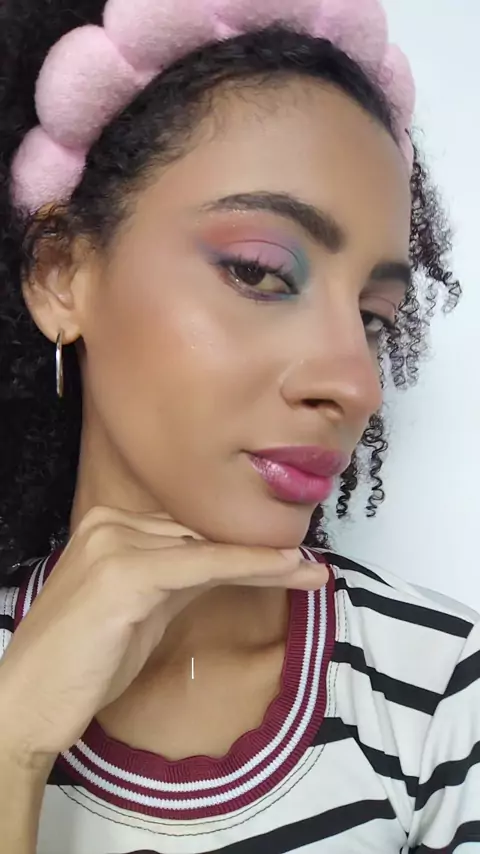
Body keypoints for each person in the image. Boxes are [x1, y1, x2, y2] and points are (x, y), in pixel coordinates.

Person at [0, 0, 479, 851]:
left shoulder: (444, 692)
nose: (356, 385)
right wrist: (14, 742)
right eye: (260, 273)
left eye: (373, 317)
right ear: (61, 273)